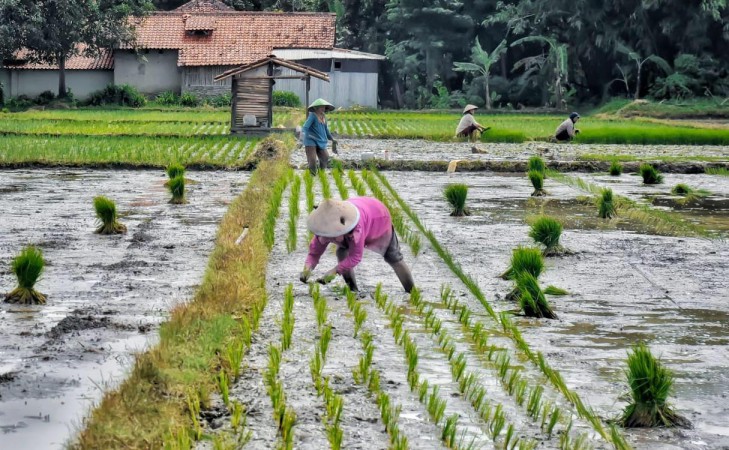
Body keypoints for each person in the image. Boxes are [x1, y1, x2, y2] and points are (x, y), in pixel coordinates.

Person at [299, 197, 415, 293]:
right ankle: (353, 291)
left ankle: (412, 293)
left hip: (378, 217)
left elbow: (355, 257)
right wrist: (307, 269)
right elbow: (314, 253)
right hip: (359, 215)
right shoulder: (323, 228)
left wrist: (334, 272)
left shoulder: (355, 228)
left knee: (393, 257)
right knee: (341, 252)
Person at [302, 98, 338, 174]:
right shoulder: (312, 116)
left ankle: (321, 174)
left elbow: (326, 129)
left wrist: (332, 139)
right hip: (310, 140)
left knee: (325, 157)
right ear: (316, 108)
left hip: (320, 140)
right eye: (321, 107)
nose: (323, 108)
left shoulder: (324, 116)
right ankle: (312, 175)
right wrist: (301, 138)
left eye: (324, 107)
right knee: (312, 160)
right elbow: (305, 127)